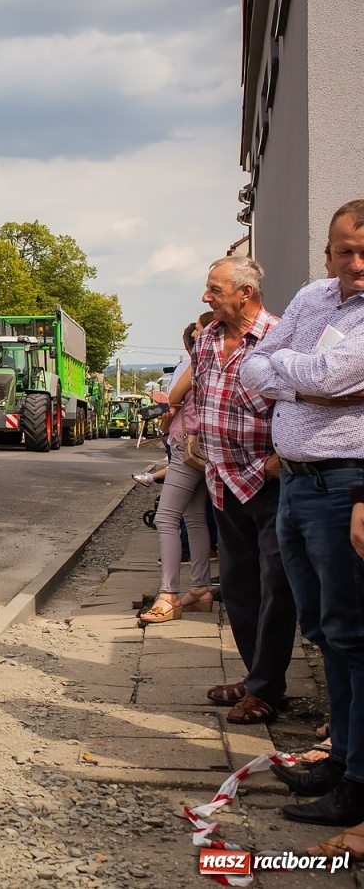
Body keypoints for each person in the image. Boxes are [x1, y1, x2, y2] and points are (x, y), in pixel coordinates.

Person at [241, 199, 364, 829]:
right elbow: (253, 370)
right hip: (296, 481)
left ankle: (358, 779)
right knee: (321, 627)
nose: (355, 264)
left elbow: (333, 370)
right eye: (344, 251)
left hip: (346, 483)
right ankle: (339, 757)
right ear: (329, 249)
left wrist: (294, 373)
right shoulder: (316, 297)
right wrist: (307, 380)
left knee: (353, 634)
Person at [192, 254, 295, 726]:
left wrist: (282, 459)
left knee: (277, 585)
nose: (206, 297)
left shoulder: (280, 336)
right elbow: (200, 393)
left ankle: (266, 688)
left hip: (269, 480)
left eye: (214, 289)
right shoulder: (208, 337)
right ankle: (258, 678)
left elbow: (295, 400)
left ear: (245, 294)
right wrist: (195, 431)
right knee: (237, 585)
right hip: (222, 479)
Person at [136, 319, 215, 624]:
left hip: (186, 444)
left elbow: (172, 402)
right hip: (207, 444)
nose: (195, 340)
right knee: (195, 518)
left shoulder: (197, 362)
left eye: (198, 335)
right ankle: (199, 590)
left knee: (166, 517)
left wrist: (167, 413)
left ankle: (168, 595)